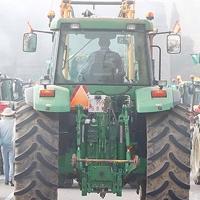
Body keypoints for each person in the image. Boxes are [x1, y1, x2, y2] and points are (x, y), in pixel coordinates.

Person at [0, 107, 16, 186]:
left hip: (3, 145)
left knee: (5, 163)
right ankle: (11, 178)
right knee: (11, 162)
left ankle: (6, 180)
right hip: (12, 145)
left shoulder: (1, 123)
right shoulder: (15, 122)